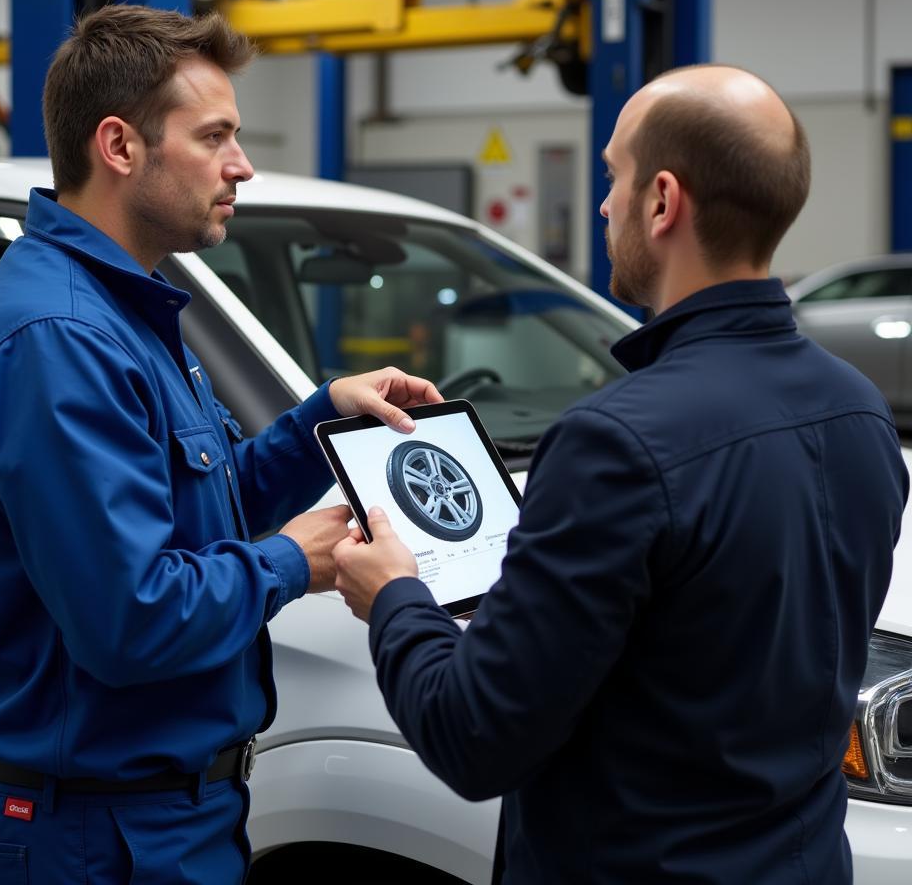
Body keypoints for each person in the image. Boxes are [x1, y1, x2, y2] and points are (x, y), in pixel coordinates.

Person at [334, 64, 909, 884]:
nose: (603, 203)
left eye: (613, 177)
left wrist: (393, 597)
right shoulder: (857, 411)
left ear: (663, 201)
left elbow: (473, 740)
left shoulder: (615, 442)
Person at [0, 3, 442, 885]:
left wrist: (320, 421)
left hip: (154, 818)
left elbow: (195, 505)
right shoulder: (60, 339)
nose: (241, 166)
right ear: (120, 147)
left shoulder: (123, 309)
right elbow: (130, 619)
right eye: (215, 138)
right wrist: (292, 561)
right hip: (89, 838)